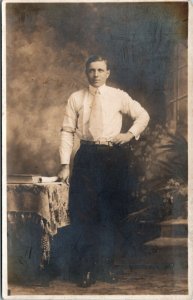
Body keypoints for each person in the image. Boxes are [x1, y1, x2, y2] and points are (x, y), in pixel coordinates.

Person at [58, 55, 150, 287]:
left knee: (110, 213)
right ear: (86, 73)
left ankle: (105, 267)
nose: (96, 75)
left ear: (108, 73)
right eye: (92, 70)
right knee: (84, 212)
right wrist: (64, 165)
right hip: (87, 157)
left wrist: (129, 135)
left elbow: (143, 115)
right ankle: (87, 269)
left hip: (113, 158)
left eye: (100, 70)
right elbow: (67, 131)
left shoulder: (118, 96)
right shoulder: (76, 98)